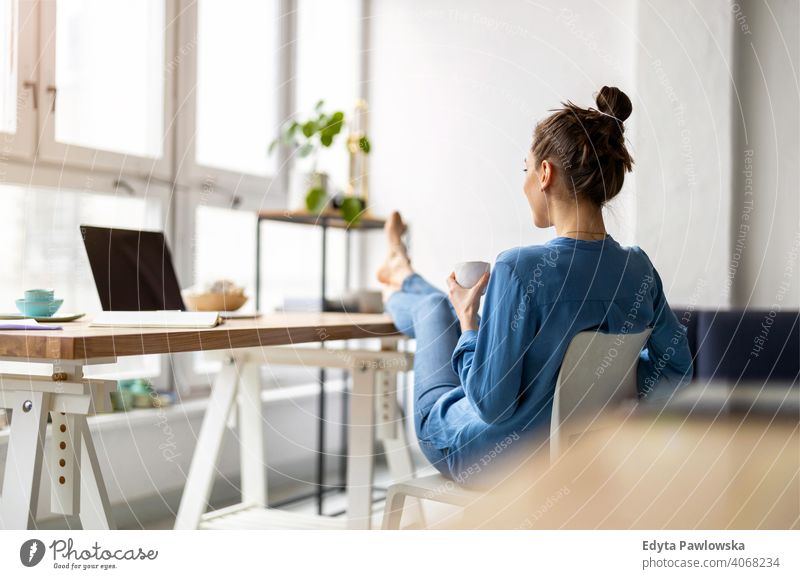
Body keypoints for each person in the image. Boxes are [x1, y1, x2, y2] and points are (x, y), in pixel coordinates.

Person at [377, 86, 693, 486]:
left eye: (525, 168)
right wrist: (611, 387)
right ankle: (402, 273)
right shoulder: (639, 269)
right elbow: (677, 371)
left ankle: (400, 277)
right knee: (439, 307)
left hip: (492, 458)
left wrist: (470, 326)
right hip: (583, 460)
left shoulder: (519, 268)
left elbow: (491, 406)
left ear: (545, 173)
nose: (524, 181)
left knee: (435, 311)